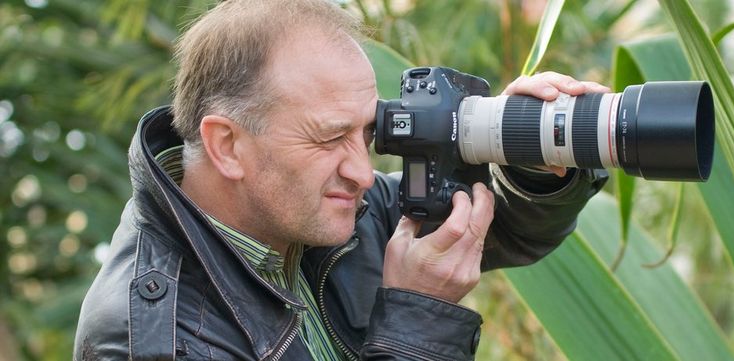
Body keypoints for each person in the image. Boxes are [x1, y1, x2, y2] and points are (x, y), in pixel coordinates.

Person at [73, 0, 608, 360]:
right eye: (329, 138)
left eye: (366, 133)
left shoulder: (322, 207)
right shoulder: (155, 337)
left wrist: (529, 157)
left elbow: (508, 228)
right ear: (227, 146)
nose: (361, 172)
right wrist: (417, 319)